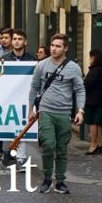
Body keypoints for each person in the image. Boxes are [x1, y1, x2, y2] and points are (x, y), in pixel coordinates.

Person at [28, 33, 85, 194]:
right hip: (46, 111)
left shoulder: (73, 68)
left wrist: (80, 110)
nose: (53, 49)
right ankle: (47, 178)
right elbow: (34, 87)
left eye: (58, 46)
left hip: (64, 113)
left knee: (61, 148)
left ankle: (60, 180)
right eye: (52, 45)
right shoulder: (42, 65)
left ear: (65, 48)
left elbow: (80, 90)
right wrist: (30, 109)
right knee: (48, 144)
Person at [0, 29, 36, 171]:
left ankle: (21, 158)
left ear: (25, 42)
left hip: (25, 100)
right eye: (15, 39)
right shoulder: (3, 60)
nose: (17, 41)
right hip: (7, 99)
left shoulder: (32, 60)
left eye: (20, 39)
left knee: (22, 129)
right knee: (6, 127)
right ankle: (8, 154)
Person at [84, 49, 102, 155]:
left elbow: (87, 84)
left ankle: (93, 145)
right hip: (100, 100)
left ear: (93, 57)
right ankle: (100, 144)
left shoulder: (95, 70)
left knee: (93, 122)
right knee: (98, 123)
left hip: (92, 101)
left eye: (90, 57)